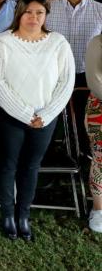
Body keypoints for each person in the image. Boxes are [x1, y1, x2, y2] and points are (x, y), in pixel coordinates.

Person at [0, 0, 75, 240]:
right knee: (8, 165)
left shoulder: (58, 42)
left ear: (46, 14)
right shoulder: (3, 42)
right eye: (28, 12)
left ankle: (23, 215)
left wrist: (45, 114)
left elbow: (65, 82)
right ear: (19, 13)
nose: (33, 17)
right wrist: (26, 114)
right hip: (10, 115)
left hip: (45, 118)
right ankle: (7, 215)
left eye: (39, 12)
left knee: (31, 166)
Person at [84, 34, 102, 233]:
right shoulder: (98, 42)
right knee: (100, 160)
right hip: (100, 109)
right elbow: (95, 81)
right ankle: (99, 209)